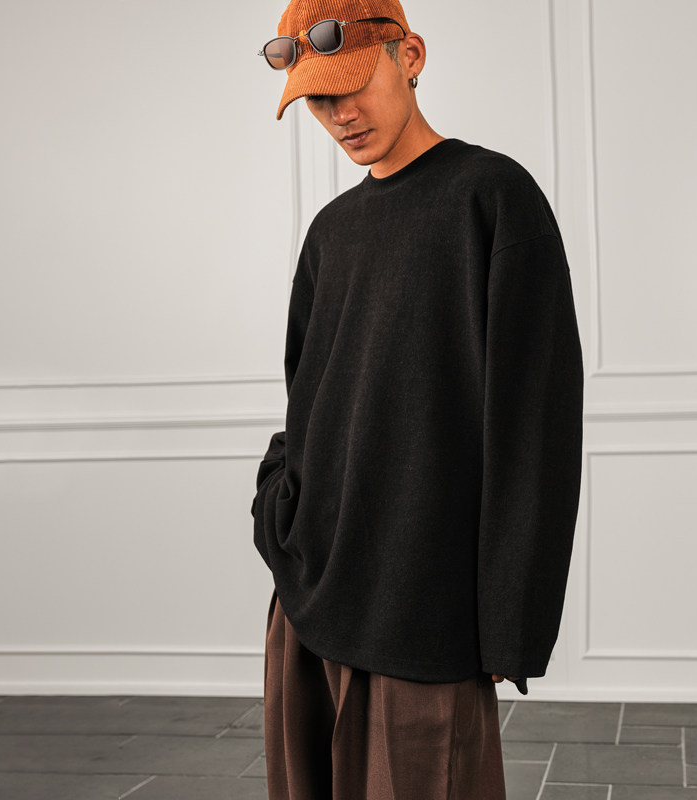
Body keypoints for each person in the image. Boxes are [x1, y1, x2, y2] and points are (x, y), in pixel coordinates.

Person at [251, 0, 584, 797]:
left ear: (410, 56)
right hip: (306, 596)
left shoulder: (492, 197)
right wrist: (277, 504)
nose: (339, 115)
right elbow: (306, 395)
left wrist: (511, 619)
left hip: (423, 607)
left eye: (351, 86)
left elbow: (534, 425)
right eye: (318, 99)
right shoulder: (331, 230)